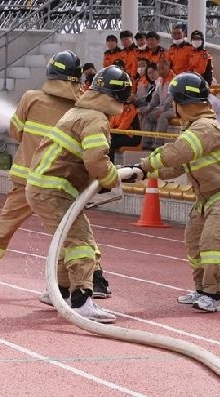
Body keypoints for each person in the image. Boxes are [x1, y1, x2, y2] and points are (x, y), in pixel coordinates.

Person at [0, 51, 115, 297]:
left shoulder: (31, 98)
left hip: (25, 177)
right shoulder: (81, 107)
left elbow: (15, 131)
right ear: (76, 78)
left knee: (5, 226)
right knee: (74, 230)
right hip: (60, 182)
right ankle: (96, 279)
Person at [131, 72, 220, 313]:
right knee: (194, 240)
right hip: (207, 196)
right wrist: (143, 173)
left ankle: (213, 294)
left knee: (211, 240)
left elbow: (177, 153)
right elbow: (175, 166)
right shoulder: (194, 129)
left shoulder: (206, 128)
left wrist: (144, 166)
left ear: (181, 103)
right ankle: (201, 289)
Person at [26, 65, 134, 323]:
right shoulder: (95, 119)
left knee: (66, 241)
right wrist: (112, 178)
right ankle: (82, 300)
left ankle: (59, 292)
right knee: (81, 243)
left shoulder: (78, 112)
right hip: (55, 190)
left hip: (44, 187)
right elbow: (96, 160)